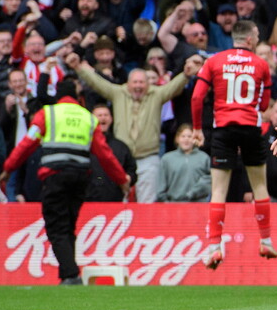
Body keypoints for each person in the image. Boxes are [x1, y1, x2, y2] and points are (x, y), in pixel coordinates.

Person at [0, 80, 131, 285]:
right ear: (77, 98)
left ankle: (71, 274)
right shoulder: (88, 118)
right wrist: (121, 179)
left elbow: (27, 143)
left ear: (58, 96)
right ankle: (67, 276)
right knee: (68, 225)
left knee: (56, 226)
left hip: (55, 176)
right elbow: (105, 154)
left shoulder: (48, 114)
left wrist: (8, 168)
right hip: (80, 178)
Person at [191, 20, 275, 268]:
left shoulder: (214, 61)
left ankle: (215, 247)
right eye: (257, 34)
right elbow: (263, 104)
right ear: (249, 39)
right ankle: (266, 241)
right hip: (250, 127)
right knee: (259, 186)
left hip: (223, 129)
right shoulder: (261, 65)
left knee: (218, 190)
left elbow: (197, 96)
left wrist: (197, 128)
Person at [69, 53, 197, 203]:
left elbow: (173, 87)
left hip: (148, 157)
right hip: (122, 158)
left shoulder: (157, 94)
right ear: (128, 83)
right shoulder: (118, 93)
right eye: (135, 82)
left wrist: (185, 75)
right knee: (120, 201)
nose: (138, 86)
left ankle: (146, 227)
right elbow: (97, 83)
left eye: (141, 82)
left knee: (148, 202)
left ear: (147, 84)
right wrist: (78, 68)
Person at [86, 104, 138, 202]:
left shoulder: (121, 146)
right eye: (99, 115)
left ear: (111, 119)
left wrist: (128, 178)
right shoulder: (84, 144)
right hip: (87, 200)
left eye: (106, 115)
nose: (103, 117)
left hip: (114, 201)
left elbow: (132, 171)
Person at [157, 124, 212, 203]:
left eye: (189, 136)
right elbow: (161, 185)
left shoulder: (204, 158)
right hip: (173, 205)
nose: (186, 139)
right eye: (183, 136)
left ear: (195, 139)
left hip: (199, 204)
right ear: (177, 139)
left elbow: (210, 179)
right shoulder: (167, 159)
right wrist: (166, 202)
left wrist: (193, 192)